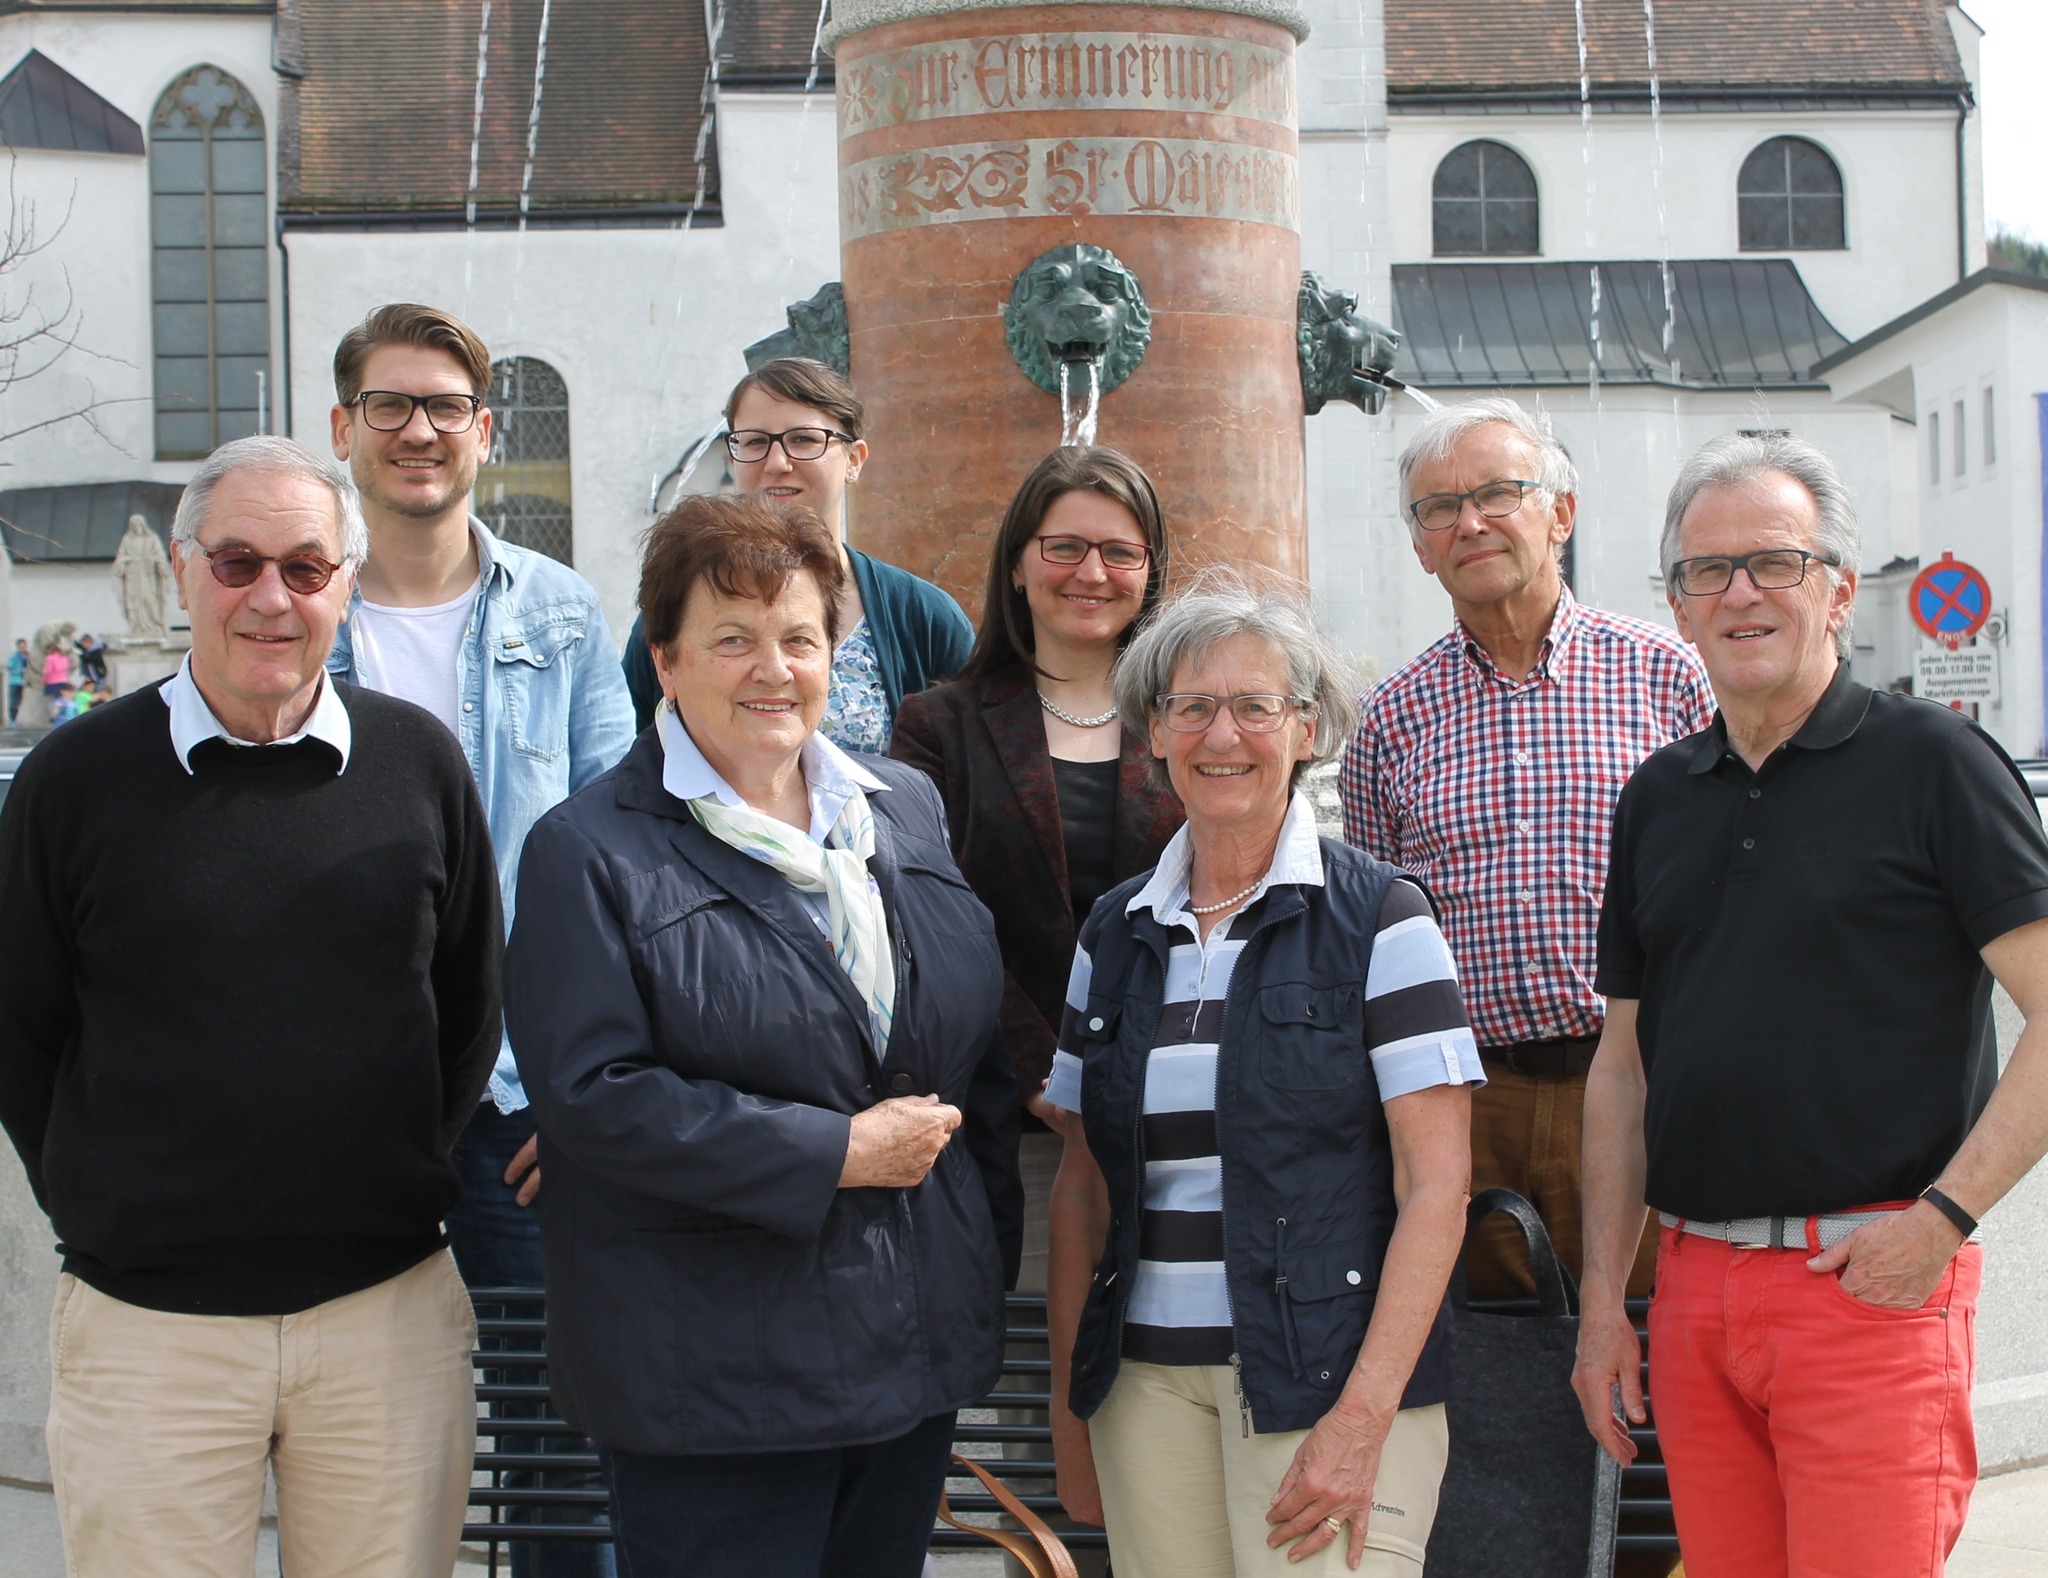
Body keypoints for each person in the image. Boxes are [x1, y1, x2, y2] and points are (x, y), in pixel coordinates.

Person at [0, 436, 504, 1576]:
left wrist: (384, 1170)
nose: (271, 598)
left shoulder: (418, 765)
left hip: (383, 1320)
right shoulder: (73, 781)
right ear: (182, 571)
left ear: (347, 581)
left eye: (306, 567)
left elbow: (469, 1004)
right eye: (236, 564)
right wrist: (116, 1194)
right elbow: (20, 1032)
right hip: (150, 1334)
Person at [505, 493, 1022, 1578]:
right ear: (665, 659)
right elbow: (593, 1094)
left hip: (905, 1348)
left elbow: (958, 1048)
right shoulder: (589, 851)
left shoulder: (903, 810)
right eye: (731, 640)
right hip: (715, 1380)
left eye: (798, 639)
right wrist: (834, 1152)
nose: (771, 670)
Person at [1571, 433, 2048, 1578]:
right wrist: (1603, 1308)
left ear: (1835, 588)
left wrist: (1939, 1222)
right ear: (1676, 610)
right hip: (1691, 1295)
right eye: (1704, 571)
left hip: (1868, 1288)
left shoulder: (1933, 763)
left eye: (1772, 562)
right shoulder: (1656, 797)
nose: (1737, 593)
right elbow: (1622, 1069)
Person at [1046, 578, 1482, 1577]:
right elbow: (1082, 1191)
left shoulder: (1380, 919)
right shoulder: (1114, 932)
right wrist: (1076, 1418)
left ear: (1307, 727)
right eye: (1191, 706)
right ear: (1152, 731)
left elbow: (1434, 1189)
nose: (1221, 734)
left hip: (1322, 1383)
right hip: (1144, 1392)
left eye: (1254, 705)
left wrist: (1363, 1415)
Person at [324, 301, 632, 1573]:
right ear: (342, 428)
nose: (417, 431)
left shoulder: (557, 613)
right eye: (389, 405)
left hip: (514, 1102)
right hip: (335, 1099)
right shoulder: (297, 611)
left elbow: (622, 858)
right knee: (355, 1441)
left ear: (483, 432)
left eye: (444, 407)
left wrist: (583, 1095)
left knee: (558, 1442)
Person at [1339, 397, 1712, 1300]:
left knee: (1659, 1341)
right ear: (1423, 547)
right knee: (1490, 1373)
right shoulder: (1390, 717)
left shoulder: (1668, 675)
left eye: (1499, 492)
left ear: (1561, 513)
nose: (1470, 522)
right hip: (1471, 1102)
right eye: (1439, 508)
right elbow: (1370, 944)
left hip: (1637, 1081)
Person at [890, 446, 1184, 1275]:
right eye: (1065, 547)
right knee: (1023, 1377)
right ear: (1018, 566)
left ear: (1149, 573)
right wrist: (1041, 1071)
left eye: (1121, 552)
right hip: (999, 1118)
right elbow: (924, 922)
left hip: (1172, 1112)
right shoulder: (936, 726)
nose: (1092, 572)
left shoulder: (1194, 719)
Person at [622, 357, 973, 745]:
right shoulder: (677, 609)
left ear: (853, 460)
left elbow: (967, 773)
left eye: (804, 439)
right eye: (754, 441)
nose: (777, 463)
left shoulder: (924, 617)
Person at [40, 640, 68, 723]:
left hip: (52, 681)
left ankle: (54, 715)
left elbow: (47, 670)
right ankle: (63, 714)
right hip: (63, 680)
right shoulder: (64, 657)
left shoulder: (49, 658)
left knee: (54, 700)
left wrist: (44, 679)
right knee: (62, 698)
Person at [10, 637, 29, 723]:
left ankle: (21, 719)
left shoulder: (28, 656)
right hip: (15, 682)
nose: (23, 648)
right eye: (21, 646)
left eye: (24, 646)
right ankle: (13, 720)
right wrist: (20, 670)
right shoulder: (14, 656)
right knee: (14, 701)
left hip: (25, 682)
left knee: (23, 702)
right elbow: (9, 667)